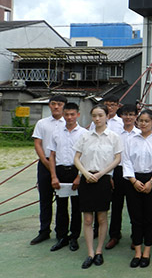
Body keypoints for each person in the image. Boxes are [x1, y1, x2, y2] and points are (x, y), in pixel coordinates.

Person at [73, 104, 123, 269]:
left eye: (100, 115)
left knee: (101, 218)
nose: (97, 119)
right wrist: (85, 174)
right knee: (87, 219)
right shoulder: (85, 136)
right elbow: (76, 158)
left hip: (103, 179)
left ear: (107, 116)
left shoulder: (114, 137)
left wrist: (101, 174)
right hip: (86, 179)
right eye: (94, 115)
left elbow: (117, 159)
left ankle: (99, 251)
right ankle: (90, 252)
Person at [122, 109, 152, 268]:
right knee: (135, 217)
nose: (143, 123)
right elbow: (126, 161)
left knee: (149, 216)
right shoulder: (130, 139)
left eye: (147, 121)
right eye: (141, 120)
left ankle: (147, 251)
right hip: (133, 180)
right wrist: (133, 181)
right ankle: (137, 251)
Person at [47, 102, 86, 252]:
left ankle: (74, 237)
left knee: (76, 207)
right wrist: (53, 176)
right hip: (60, 171)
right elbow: (52, 155)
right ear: (63, 115)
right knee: (61, 206)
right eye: (67, 114)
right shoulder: (57, 132)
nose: (69, 117)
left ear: (78, 115)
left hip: (76, 171)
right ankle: (62, 236)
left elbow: (85, 156)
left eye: (72, 114)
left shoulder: (83, 134)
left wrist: (79, 176)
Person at [31, 94, 67, 245]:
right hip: (44, 164)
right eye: (53, 104)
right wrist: (46, 163)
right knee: (45, 200)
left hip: (63, 166)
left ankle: (62, 232)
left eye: (59, 104)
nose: (56, 107)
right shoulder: (42, 123)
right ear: (49, 105)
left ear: (64, 106)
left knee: (62, 201)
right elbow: (38, 143)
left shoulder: (69, 123)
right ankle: (44, 231)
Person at [105, 104, 140, 250]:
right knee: (116, 206)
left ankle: (136, 237)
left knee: (135, 207)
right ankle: (114, 235)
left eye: (131, 114)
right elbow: (110, 155)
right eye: (125, 114)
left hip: (134, 174)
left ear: (136, 116)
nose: (128, 117)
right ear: (121, 116)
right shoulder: (115, 134)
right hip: (118, 172)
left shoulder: (140, 133)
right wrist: (111, 176)